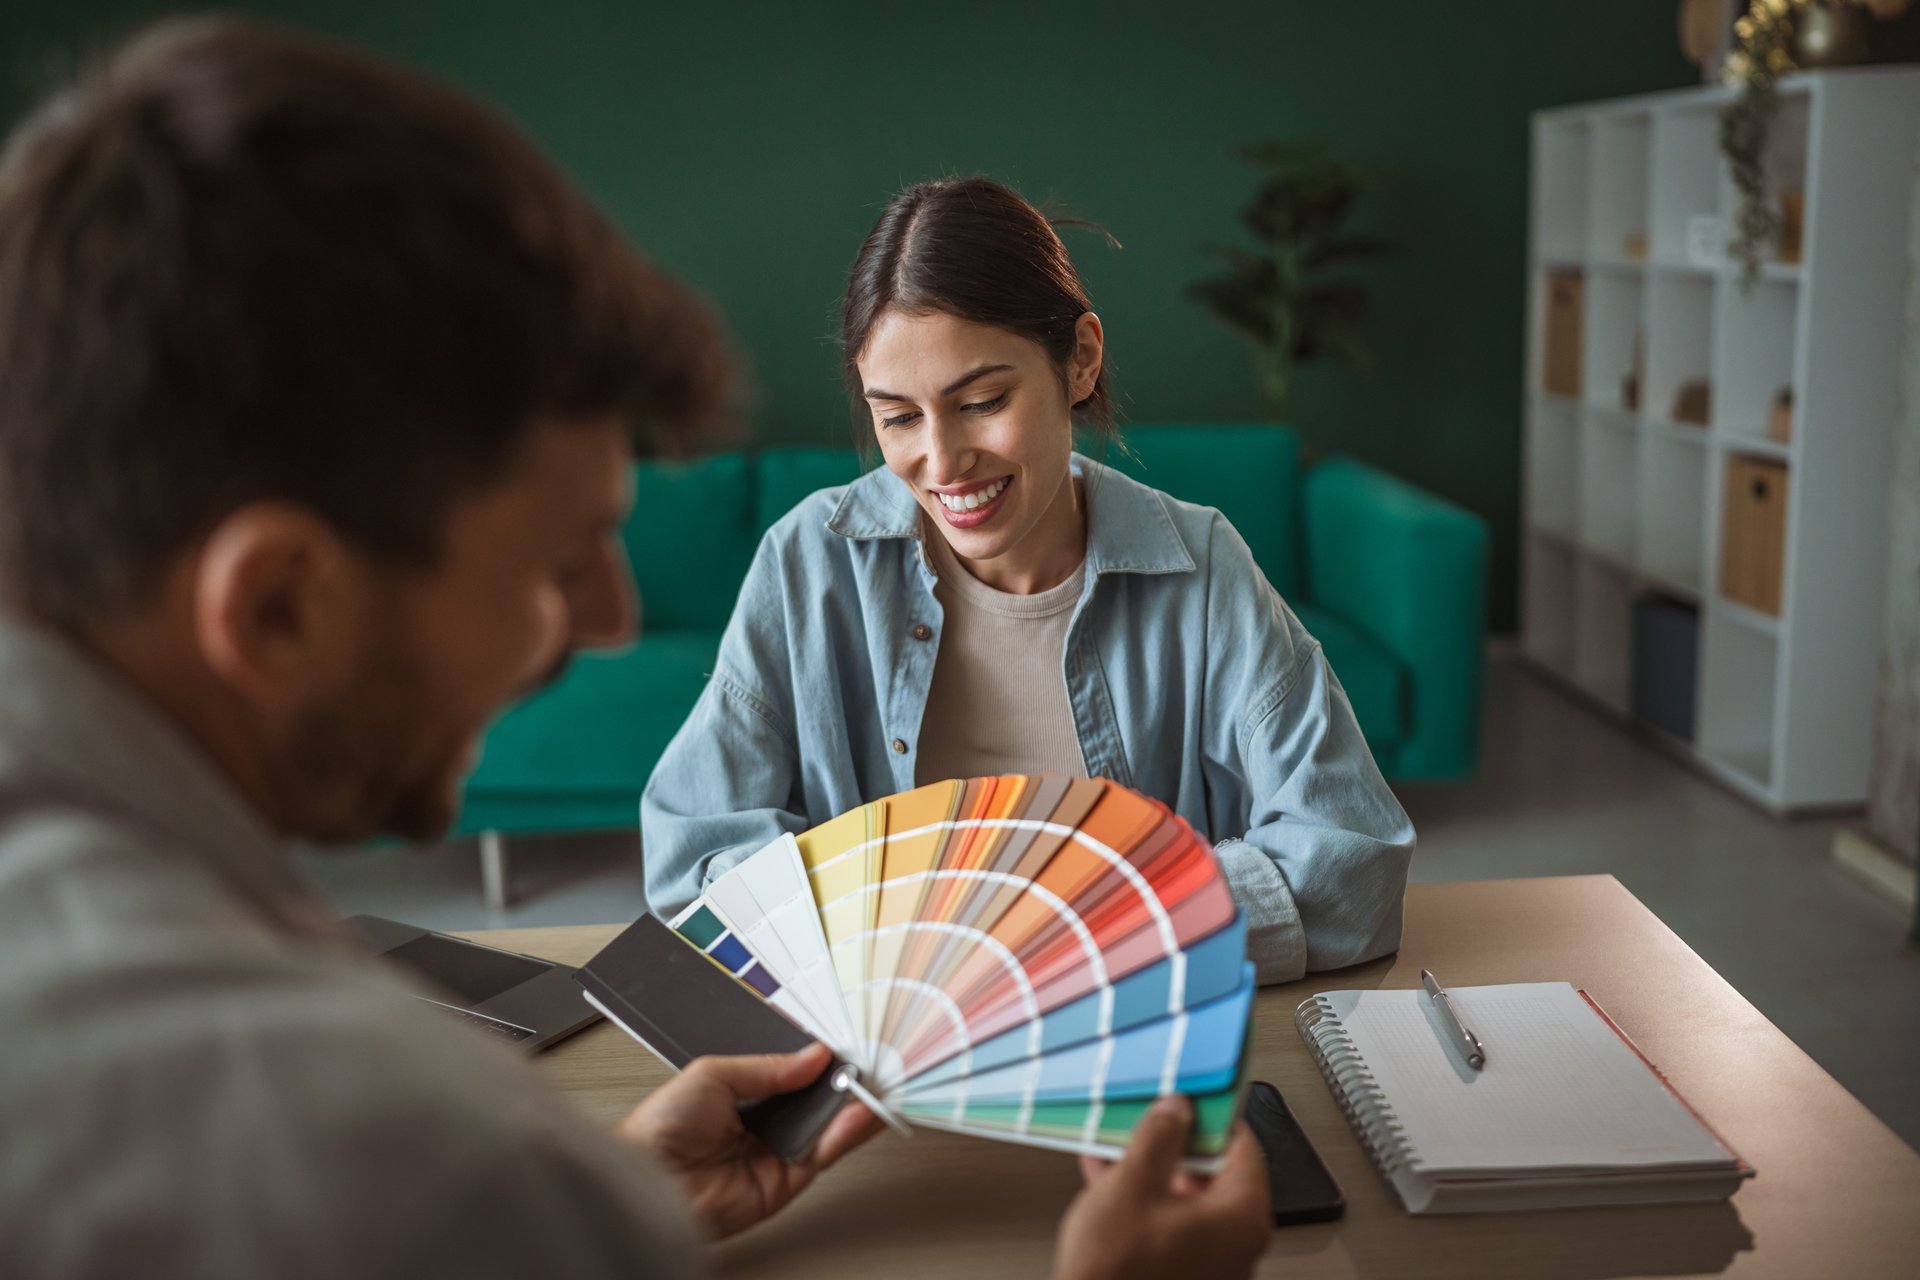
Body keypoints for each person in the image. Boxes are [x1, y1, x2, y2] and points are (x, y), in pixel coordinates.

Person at [0, 20, 1267, 1280]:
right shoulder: (413, 1152)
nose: (611, 618)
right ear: (278, 607)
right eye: (558, 557)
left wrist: (604, 1205)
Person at [643, 177, 1417, 985]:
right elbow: (693, 854)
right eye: (899, 417)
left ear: (1080, 359)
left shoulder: (1202, 565)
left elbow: (1353, 862)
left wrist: (1064, 938)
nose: (941, 464)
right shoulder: (809, 560)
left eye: (981, 401)